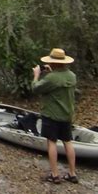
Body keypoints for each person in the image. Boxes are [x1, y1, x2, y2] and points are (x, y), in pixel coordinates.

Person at [32, 48, 78, 184]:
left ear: (53, 62)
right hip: (67, 114)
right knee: (67, 141)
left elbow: (36, 88)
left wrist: (36, 75)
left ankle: (55, 174)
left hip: (51, 114)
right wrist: (51, 73)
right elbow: (60, 82)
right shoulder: (72, 76)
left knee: (51, 142)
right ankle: (72, 173)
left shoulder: (51, 78)